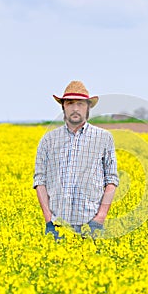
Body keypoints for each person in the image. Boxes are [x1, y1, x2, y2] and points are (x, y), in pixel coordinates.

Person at [33, 81, 119, 239]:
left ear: (88, 108)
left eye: (80, 104)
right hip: (58, 226)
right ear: (63, 107)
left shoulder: (104, 138)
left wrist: (100, 218)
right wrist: (49, 221)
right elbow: (40, 181)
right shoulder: (48, 140)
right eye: (70, 103)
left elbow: (111, 180)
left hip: (91, 225)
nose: (75, 108)